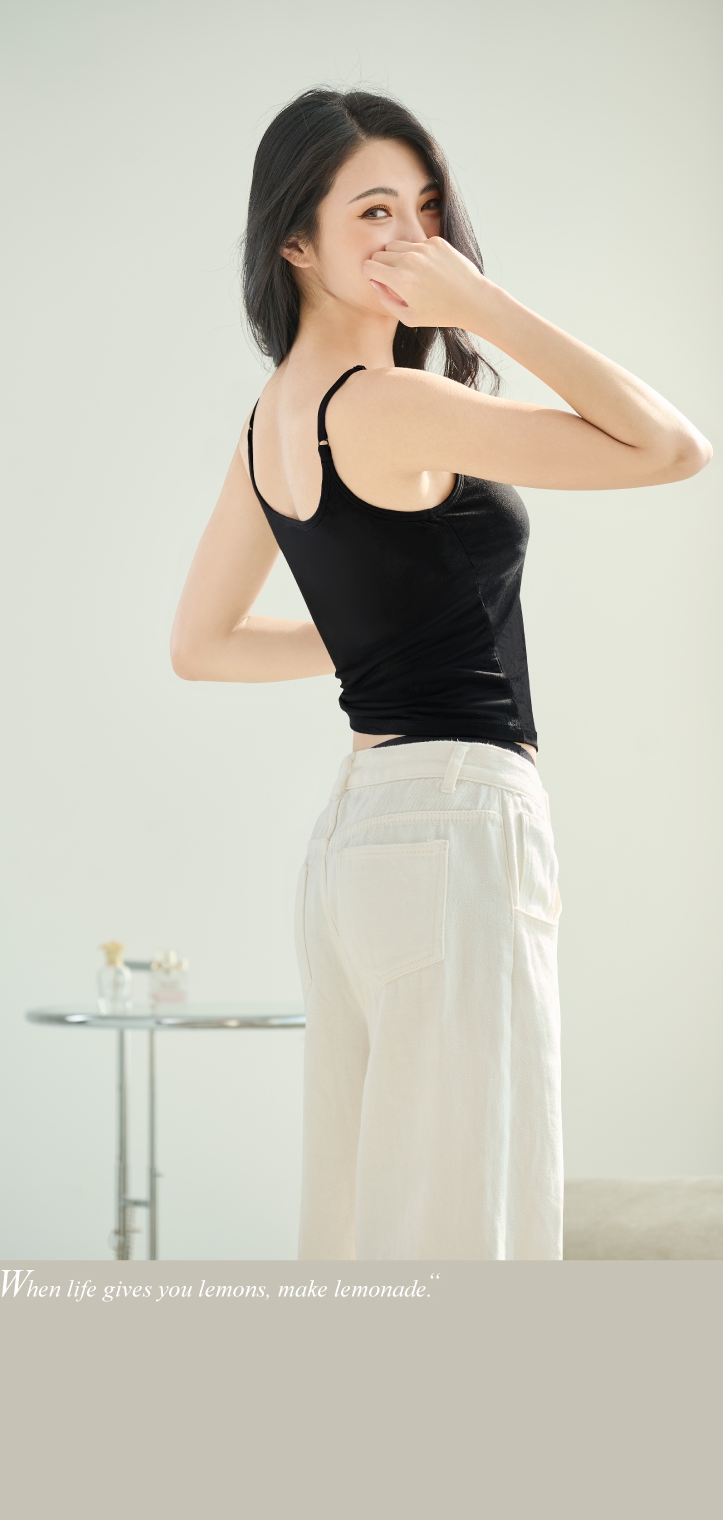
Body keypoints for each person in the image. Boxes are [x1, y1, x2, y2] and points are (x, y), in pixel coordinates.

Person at [170, 89, 711, 1261]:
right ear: (294, 241)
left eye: (425, 209)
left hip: (354, 844)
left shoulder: (273, 421)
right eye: (374, 211)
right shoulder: (396, 402)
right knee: (471, 1230)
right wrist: (485, 306)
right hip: (458, 824)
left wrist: (380, 639)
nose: (413, 240)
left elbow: (201, 644)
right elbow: (672, 448)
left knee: (363, 1230)